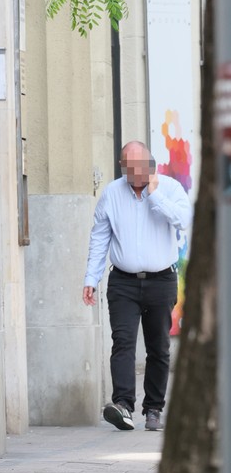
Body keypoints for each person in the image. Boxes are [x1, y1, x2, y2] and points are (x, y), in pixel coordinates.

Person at [83, 140, 191, 432]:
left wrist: (155, 196)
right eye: (129, 169)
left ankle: (154, 409)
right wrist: (91, 278)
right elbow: (100, 237)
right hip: (123, 282)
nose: (135, 174)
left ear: (150, 165)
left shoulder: (169, 188)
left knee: (158, 347)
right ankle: (123, 405)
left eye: (140, 167)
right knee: (123, 342)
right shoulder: (111, 194)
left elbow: (184, 220)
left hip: (161, 281)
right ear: (123, 168)